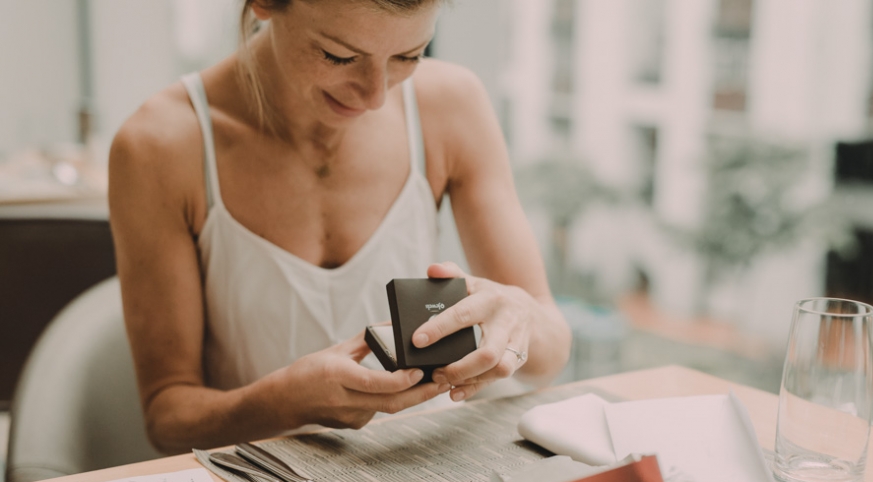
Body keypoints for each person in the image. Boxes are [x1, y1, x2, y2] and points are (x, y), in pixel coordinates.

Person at [109, 0, 571, 455]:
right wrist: (282, 403)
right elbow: (168, 419)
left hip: (427, 468)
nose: (375, 96)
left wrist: (520, 316)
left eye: (408, 56)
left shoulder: (451, 106)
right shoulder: (159, 147)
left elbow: (550, 346)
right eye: (339, 56)